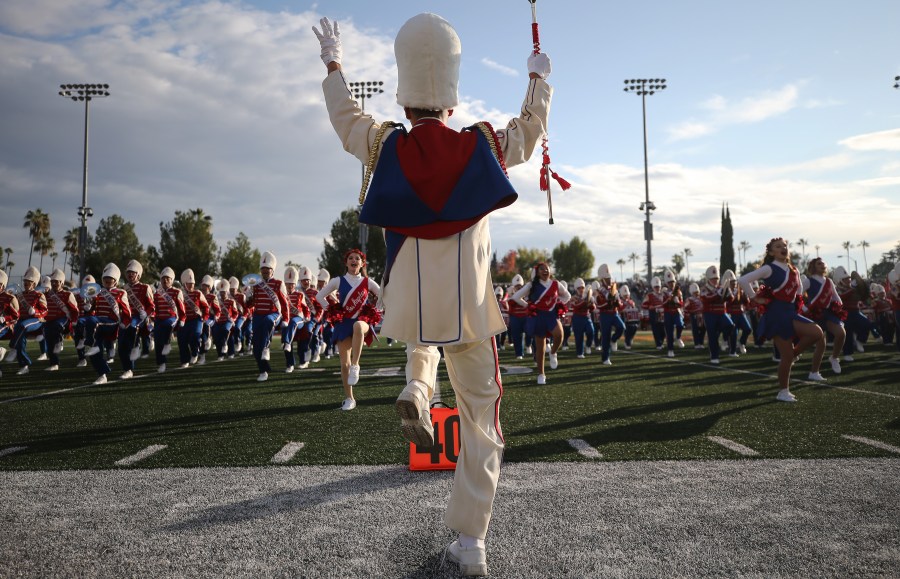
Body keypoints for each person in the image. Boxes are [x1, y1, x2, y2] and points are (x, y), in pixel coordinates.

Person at [315, 12, 551, 574]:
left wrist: (333, 64)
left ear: (404, 101)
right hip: (470, 308)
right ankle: (471, 542)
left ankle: (419, 389)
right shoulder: (482, 145)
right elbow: (529, 130)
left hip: (410, 303)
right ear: (450, 99)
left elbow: (345, 119)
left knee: (422, 340)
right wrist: (539, 81)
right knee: (482, 419)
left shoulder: (384, 145)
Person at [738, 237, 826, 402]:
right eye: (778, 247)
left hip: (790, 312)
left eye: (785, 246)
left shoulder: (794, 270)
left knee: (816, 333)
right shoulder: (768, 268)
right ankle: (783, 391)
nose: (783, 248)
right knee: (786, 356)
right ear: (771, 252)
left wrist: (798, 301)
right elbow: (743, 280)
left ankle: (793, 355)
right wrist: (755, 298)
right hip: (776, 314)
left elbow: (799, 290)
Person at [316, 249, 382, 410]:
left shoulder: (368, 282)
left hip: (362, 321)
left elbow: (383, 296)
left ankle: (356, 365)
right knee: (343, 363)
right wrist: (331, 309)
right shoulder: (337, 281)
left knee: (358, 326)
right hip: (343, 322)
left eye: (357, 258)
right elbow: (319, 296)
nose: (354, 260)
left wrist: (376, 310)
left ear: (362, 263)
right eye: (350, 258)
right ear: (346, 263)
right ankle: (349, 398)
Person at [511, 263, 570, 384]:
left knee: (559, 335)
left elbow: (567, 296)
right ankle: (541, 374)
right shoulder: (532, 285)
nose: (545, 270)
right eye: (542, 269)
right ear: (537, 272)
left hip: (551, 315)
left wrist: (558, 303)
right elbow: (516, 297)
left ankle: (553, 353)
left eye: (547, 269)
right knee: (540, 348)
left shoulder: (555, 284)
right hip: (538, 316)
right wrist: (528, 305)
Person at [83, 263, 132, 384]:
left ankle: (128, 369)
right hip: (98, 324)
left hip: (112, 323)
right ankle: (102, 375)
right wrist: (89, 307)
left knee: (122, 348)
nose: (107, 282)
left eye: (110, 280)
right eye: (105, 280)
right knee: (95, 349)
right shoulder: (98, 292)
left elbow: (127, 311)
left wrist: (124, 324)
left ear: (115, 282)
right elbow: (92, 309)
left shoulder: (121, 293)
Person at [245, 251, 289, 382]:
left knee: (268, 321)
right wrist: (248, 296)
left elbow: (284, 303)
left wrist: (286, 319)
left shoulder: (278, 283)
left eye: (267, 269)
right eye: (263, 269)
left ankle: (266, 347)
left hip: (273, 313)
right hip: (257, 315)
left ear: (272, 270)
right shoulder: (255, 284)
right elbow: (249, 305)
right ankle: (263, 370)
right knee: (256, 347)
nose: (265, 271)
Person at [803, 258, 846, 374]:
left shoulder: (829, 281)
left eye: (823, 263)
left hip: (828, 314)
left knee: (841, 333)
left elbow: (836, 297)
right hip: (815, 315)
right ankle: (814, 372)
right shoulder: (808, 281)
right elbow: (797, 294)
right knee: (821, 345)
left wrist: (838, 305)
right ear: (813, 267)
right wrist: (804, 308)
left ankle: (834, 357)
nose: (822, 265)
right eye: (818, 263)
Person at [4, 267, 47, 375]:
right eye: (25, 281)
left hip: (36, 320)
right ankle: (24, 365)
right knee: (20, 337)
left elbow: (45, 310)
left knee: (22, 326)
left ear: (34, 283)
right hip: (22, 321)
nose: (25, 284)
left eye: (28, 282)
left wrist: (35, 312)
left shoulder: (39, 295)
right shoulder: (19, 295)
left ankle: (13, 347)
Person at [120, 260, 155, 379]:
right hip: (125, 318)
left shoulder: (145, 287)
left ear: (138, 274)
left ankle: (129, 369)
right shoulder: (123, 288)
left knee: (131, 333)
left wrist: (146, 313)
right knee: (122, 344)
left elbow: (152, 306)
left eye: (133, 272)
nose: (130, 274)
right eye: (128, 272)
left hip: (138, 317)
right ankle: (127, 366)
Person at [42, 269, 78, 372]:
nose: (53, 283)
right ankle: (54, 363)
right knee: (49, 340)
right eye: (52, 281)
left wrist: (74, 321)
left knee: (57, 325)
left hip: (63, 320)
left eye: (56, 281)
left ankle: (60, 341)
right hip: (49, 320)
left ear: (61, 283)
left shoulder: (67, 294)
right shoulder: (47, 295)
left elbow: (74, 309)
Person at [153, 267, 186, 373]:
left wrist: (182, 319)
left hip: (172, 318)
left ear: (172, 280)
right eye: (163, 278)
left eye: (168, 278)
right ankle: (162, 363)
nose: (165, 280)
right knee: (157, 340)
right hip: (159, 319)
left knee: (167, 327)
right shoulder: (157, 293)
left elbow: (181, 308)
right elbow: (155, 308)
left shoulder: (177, 292)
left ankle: (167, 342)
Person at [699, 266, 735, 365]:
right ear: (708, 279)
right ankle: (714, 356)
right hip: (709, 315)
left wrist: (729, 294)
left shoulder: (721, 287)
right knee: (712, 336)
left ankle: (724, 340)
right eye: (713, 279)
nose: (715, 281)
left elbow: (731, 300)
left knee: (730, 325)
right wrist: (718, 294)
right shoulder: (703, 289)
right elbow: (706, 299)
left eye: (717, 278)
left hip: (721, 313)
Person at [177, 269, 209, 368]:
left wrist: (204, 317)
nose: (191, 285)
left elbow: (206, 307)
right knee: (182, 340)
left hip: (196, 319)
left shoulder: (198, 293)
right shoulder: (180, 293)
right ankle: (185, 360)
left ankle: (195, 353)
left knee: (195, 335)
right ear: (184, 283)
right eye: (189, 283)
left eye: (192, 283)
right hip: (184, 320)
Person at [282, 265, 311, 373]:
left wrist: (307, 316)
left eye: (292, 284)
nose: (290, 285)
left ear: (295, 284)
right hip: (287, 321)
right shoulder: (282, 295)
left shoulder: (299, 295)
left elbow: (305, 308)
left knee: (301, 345)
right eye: (288, 283)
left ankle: (303, 361)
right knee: (285, 344)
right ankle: (290, 364)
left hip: (299, 321)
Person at [594, 264, 624, 365]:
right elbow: (599, 304)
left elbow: (620, 302)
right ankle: (605, 358)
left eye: (609, 278)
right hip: (605, 315)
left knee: (621, 327)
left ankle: (614, 340)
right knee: (605, 336)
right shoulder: (599, 290)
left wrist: (617, 302)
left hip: (614, 313)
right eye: (606, 278)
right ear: (602, 279)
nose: (609, 280)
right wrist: (609, 302)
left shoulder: (613, 288)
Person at [211, 279, 237, 361]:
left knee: (226, 331)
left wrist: (233, 319)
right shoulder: (217, 301)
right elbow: (214, 310)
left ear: (227, 292)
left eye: (224, 292)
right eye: (221, 292)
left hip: (228, 321)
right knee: (216, 337)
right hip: (218, 322)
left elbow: (235, 313)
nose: (222, 294)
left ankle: (231, 352)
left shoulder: (231, 301)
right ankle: (220, 354)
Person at [661, 269, 684, 357]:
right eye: (669, 282)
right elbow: (663, 304)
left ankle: (678, 337)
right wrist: (669, 300)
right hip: (668, 313)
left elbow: (681, 304)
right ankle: (670, 350)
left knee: (680, 325)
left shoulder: (679, 292)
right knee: (669, 333)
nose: (671, 283)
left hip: (676, 312)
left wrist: (677, 301)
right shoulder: (664, 292)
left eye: (673, 282)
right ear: (667, 283)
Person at [505, 274, 529, 359]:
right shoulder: (511, 295)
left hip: (526, 317)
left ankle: (528, 345)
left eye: (520, 286)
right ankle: (519, 353)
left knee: (530, 333)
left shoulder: (527, 294)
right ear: (514, 287)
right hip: (515, 317)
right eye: (517, 286)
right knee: (516, 336)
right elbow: (511, 304)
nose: (518, 288)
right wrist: (513, 295)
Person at [570, 278, 595, 358]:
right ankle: (580, 352)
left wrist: (591, 303)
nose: (581, 289)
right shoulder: (573, 297)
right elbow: (576, 306)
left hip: (587, 317)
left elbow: (593, 308)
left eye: (582, 288)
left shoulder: (588, 296)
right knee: (579, 336)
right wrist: (585, 301)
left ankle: (588, 345)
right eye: (579, 288)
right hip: (577, 318)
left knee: (591, 331)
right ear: (576, 289)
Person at [683, 282, 705, 349]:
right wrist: (691, 312)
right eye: (695, 292)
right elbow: (685, 308)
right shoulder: (689, 299)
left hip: (702, 316)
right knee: (695, 330)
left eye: (697, 292)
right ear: (692, 292)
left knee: (703, 329)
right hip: (694, 315)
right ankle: (696, 343)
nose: (696, 293)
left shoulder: (701, 298)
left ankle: (701, 342)